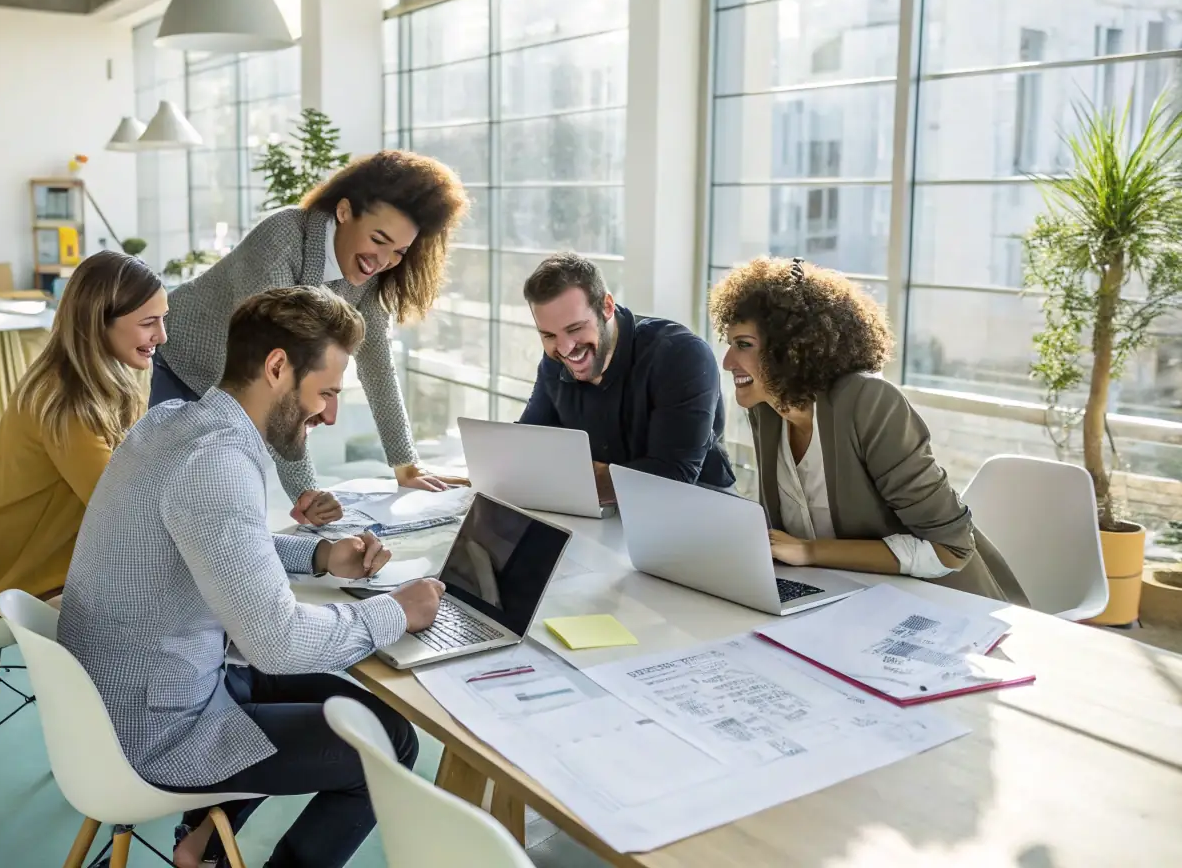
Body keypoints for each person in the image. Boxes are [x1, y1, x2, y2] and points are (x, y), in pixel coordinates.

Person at [59, 286, 445, 868]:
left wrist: (317, 557)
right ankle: (211, 840)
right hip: (159, 730)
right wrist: (398, 610)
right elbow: (277, 642)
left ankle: (203, 845)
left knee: (377, 718)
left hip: (128, 698)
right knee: (385, 749)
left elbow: (215, 545)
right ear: (276, 368)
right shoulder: (217, 463)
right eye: (326, 393)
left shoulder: (171, 422)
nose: (331, 414)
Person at [152, 150, 470, 527]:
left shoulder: (364, 280)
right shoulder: (284, 237)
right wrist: (306, 492)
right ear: (344, 211)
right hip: (172, 367)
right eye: (378, 239)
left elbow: (378, 365)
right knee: (155, 508)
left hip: (228, 394)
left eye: (398, 251)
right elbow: (275, 379)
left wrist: (406, 464)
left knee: (204, 514)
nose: (382, 260)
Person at [709, 256, 1026, 603]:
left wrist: (811, 552)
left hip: (941, 608)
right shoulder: (766, 409)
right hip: (841, 600)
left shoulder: (868, 402)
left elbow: (951, 548)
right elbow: (782, 538)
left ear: (791, 349)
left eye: (743, 344)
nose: (727, 361)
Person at [0, 251, 166, 616]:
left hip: (23, 556)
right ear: (98, 322)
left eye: (164, 319)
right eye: (148, 322)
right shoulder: (67, 403)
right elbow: (124, 511)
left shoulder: (97, 379)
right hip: (14, 577)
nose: (161, 335)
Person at [518, 252, 735, 503]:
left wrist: (565, 476)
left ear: (607, 306)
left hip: (700, 510)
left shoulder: (680, 355)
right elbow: (529, 444)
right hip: (602, 509)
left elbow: (673, 476)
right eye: (549, 335)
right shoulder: (555, 360)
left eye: (575, 329)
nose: (565, 348)